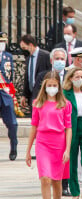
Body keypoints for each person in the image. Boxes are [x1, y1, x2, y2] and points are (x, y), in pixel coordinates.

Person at [25, 71, 72, 199]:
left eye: (54, 85)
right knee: (45, 178)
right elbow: (34, 126)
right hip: (42, 143)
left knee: (57, 181)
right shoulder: (38, 104)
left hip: (59, 143)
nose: (52, 88)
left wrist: (67, 149)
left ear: (59, 86)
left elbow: (68, 128)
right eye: (49, 85)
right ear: (44, 86)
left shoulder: (65, 104)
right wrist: (28, 150)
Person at [63, 67, 82, 199]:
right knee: (72, 160)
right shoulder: (65, 93)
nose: (80, 79)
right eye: (77, 77)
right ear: (70, 79)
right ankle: (74, 191)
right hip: (71, 128)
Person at [20, 35, 52, 109]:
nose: (23, 50)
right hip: (32, 95)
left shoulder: (45, 55)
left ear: (31, 45)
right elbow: (27, 77)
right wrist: (24, 95)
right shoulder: (28, 58)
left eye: (24, 48)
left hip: (43, 94)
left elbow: (50, 73)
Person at [0, 32, 18, 160]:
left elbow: (9, 76)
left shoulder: (8, 56)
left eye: (3, 41)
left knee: (12, 123)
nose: (2, 44)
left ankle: (14, 146)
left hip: (5, 94)